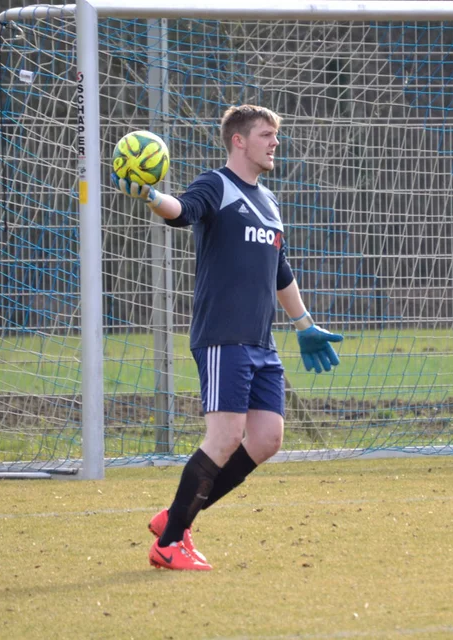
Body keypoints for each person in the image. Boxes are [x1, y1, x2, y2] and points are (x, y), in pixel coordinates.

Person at [112, 105, 343, 571]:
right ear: (239, 140)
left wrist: (305, 325)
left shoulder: (269, 201)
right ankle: (169, 543)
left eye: (275, 135)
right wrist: (152, 196)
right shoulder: (216, 184)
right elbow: (183, 211)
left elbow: (279, 271)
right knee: (224, 438)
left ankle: (176, 516)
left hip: (261, 341)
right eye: (265, 134)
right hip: (223, 335)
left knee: (267, 438)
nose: (275, 142)